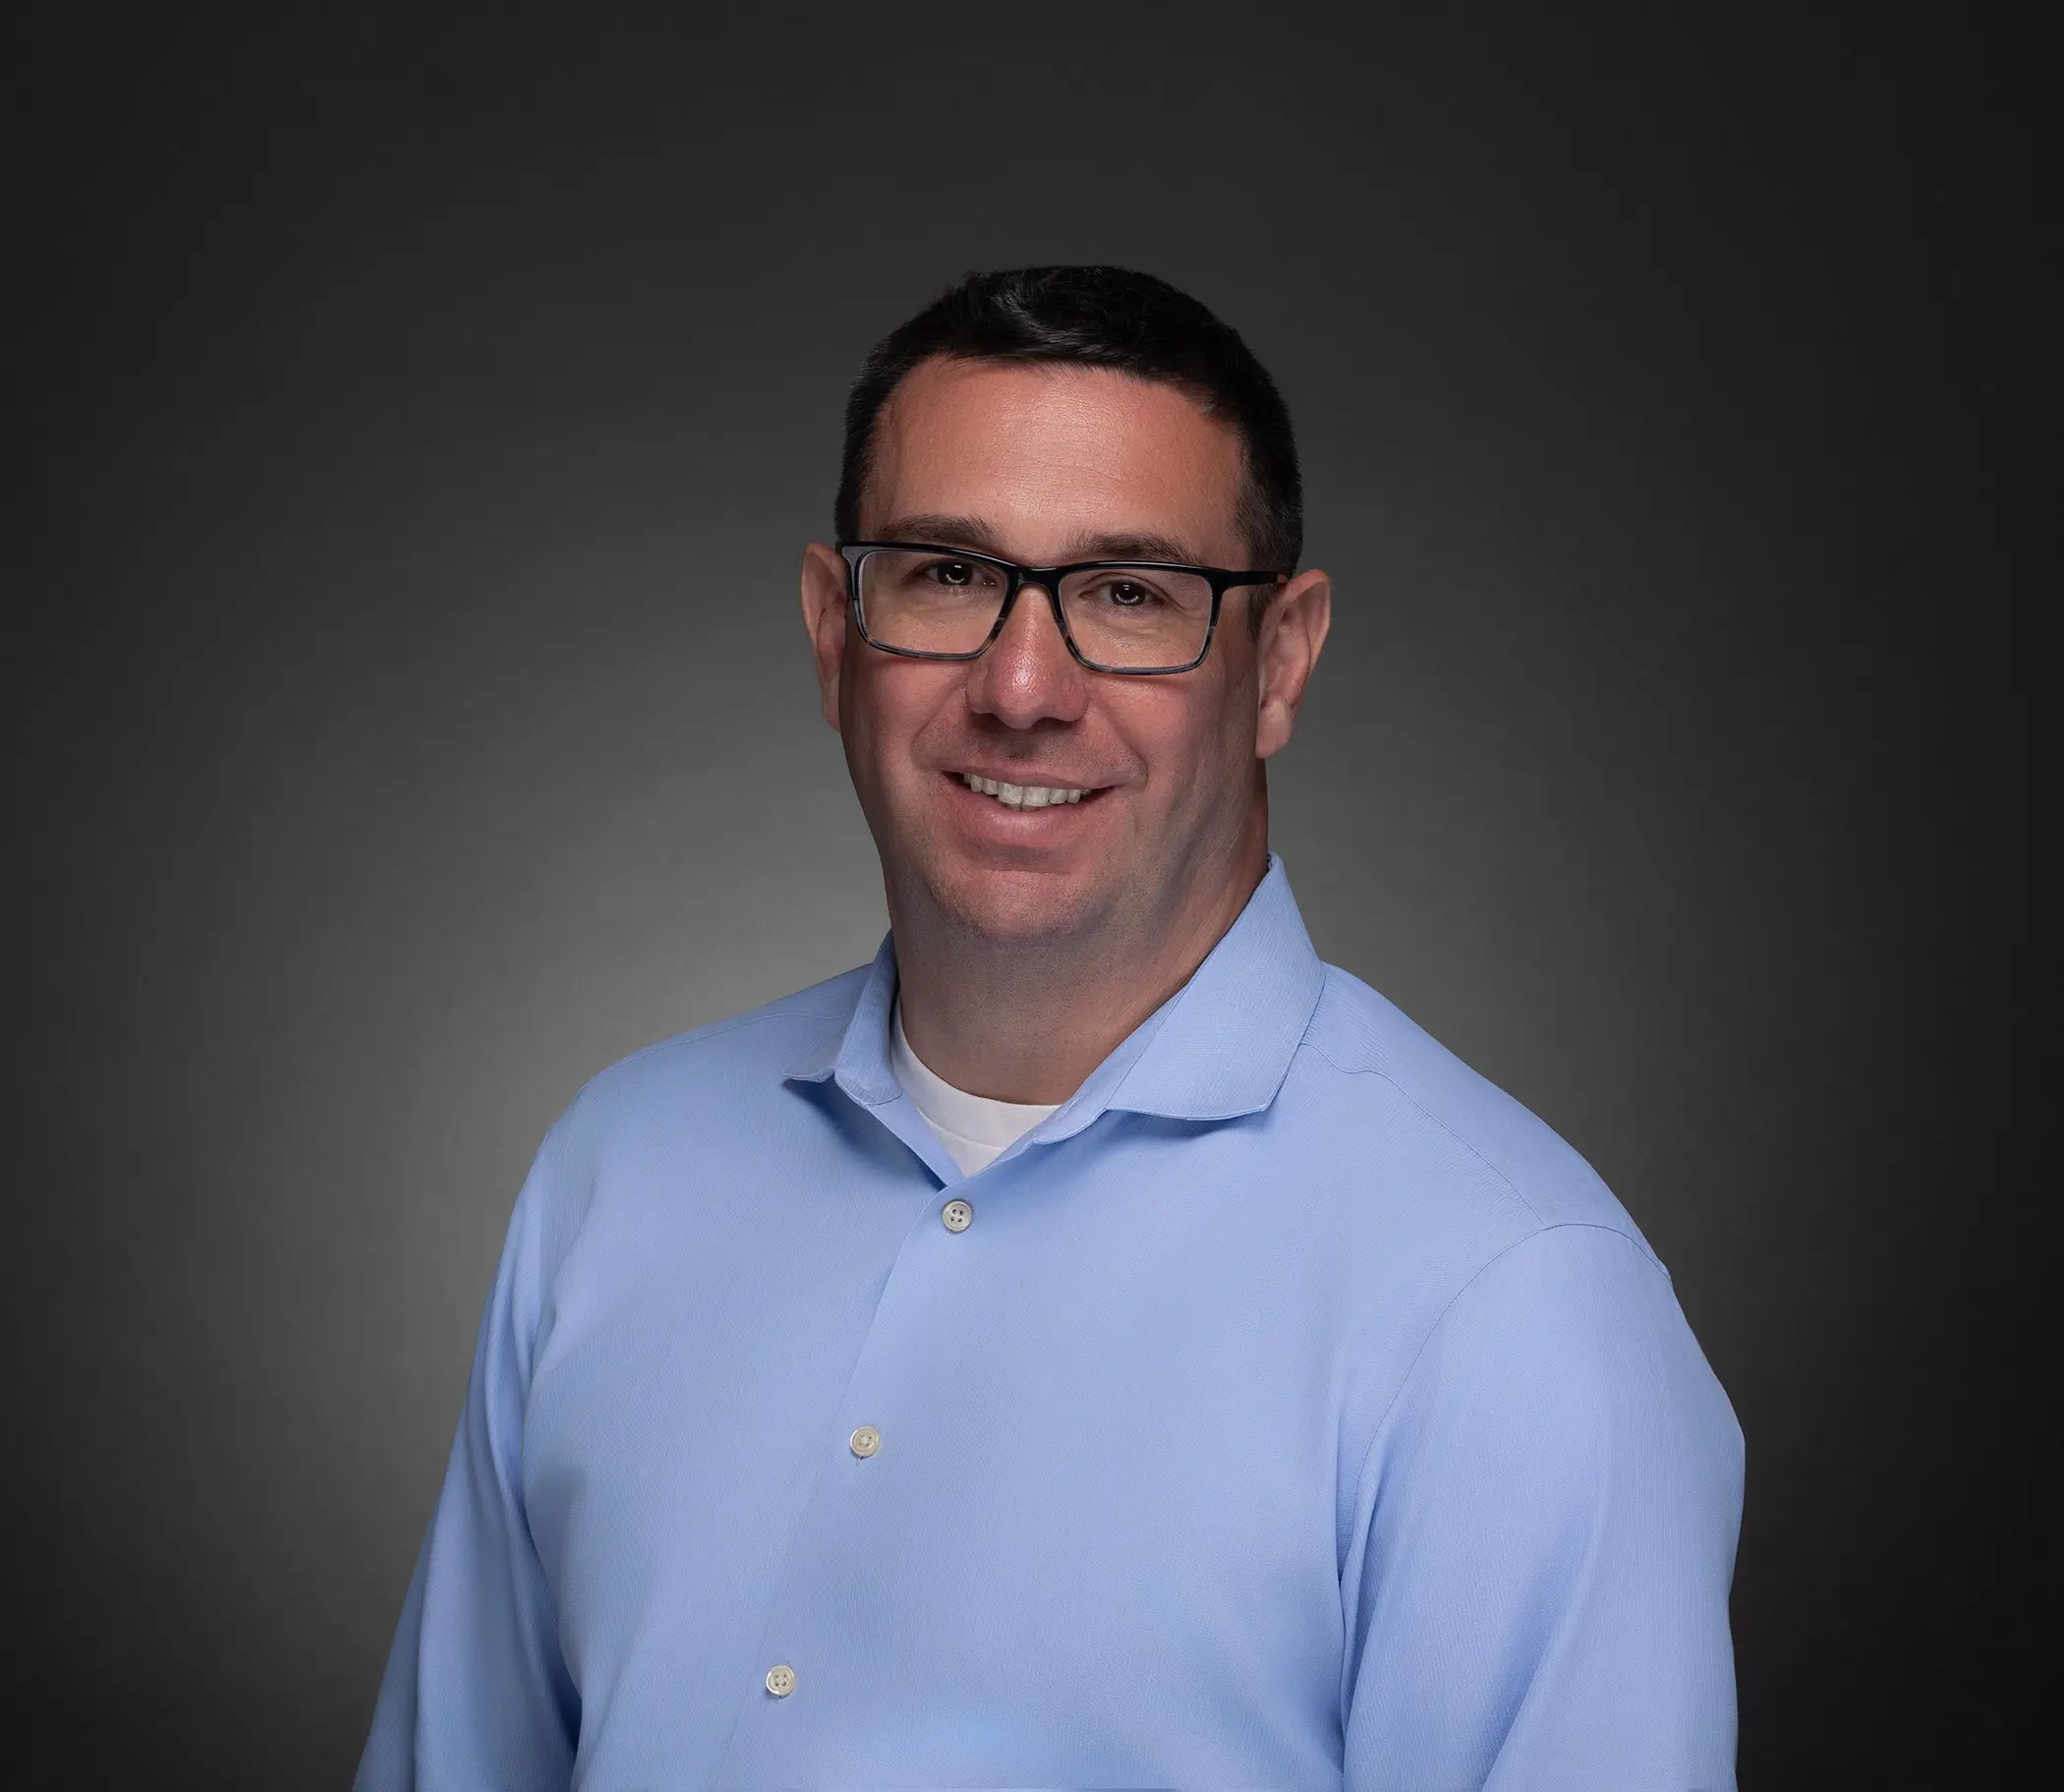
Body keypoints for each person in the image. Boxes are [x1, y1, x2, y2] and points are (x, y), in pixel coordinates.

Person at [355, 265, 1744, 1791]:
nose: (1023, 687)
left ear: (1279, 663)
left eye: (1130, 593)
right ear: (833, 631)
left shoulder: (1510, 1307)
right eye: (949, 573)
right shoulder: (617, 1173)